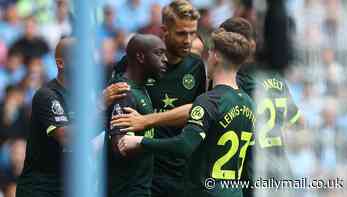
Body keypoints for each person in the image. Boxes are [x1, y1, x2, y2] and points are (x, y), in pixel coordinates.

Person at [117, 28, 255, 197]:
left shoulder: (209, 101)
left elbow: (184, 145)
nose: (208, 58)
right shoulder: (249, 103)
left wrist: (140, 141)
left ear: (216, 56)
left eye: (209, 53)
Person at [111, 1, 206, 197]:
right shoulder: (137, 61)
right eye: (181, 33)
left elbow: (198, 112)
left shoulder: (196, 66)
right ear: (165, 30)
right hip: (139, 172)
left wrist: (147, 120)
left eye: (193, 33)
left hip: (177, 170)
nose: (188, 40)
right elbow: (115, 108)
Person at [219, 17, 303, 196]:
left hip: (251, 171)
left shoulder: (236, 80)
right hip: (278, 168)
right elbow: (298, 122)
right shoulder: (275, 77)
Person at [105, 34, 167, 197]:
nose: (165, 59)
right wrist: (157, 144)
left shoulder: (141, 88)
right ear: (140, 56)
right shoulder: (124, 91)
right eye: (159, 53)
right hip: (126, 190)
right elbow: (120, 147)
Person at [16, 37, 75, 197]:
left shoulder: (83, 98)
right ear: (61, 63)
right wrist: (101, 108)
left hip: (67, 186)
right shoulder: (47, 95)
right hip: (40, 189)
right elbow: (66, 136)